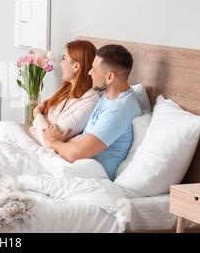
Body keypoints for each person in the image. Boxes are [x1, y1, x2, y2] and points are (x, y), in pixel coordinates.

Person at [41, 44, 142, 180]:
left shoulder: (118, 111)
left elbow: (76, 153)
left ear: (110, 77)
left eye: (94, 69)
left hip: (90, 175)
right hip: (79, 164)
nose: (89, 73)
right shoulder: (110, 95)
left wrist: (52, 141)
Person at [29, 40, 100, 146]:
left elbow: (48, 140)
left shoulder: (90, 104)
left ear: (76, 66)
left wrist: (36, 112)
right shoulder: (65, 89)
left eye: (63, 59)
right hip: (29, 138)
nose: (60, 64)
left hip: (39, 147)